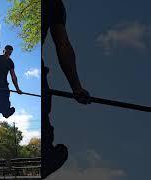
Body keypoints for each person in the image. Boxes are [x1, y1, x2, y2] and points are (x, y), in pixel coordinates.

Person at [41, 0, 91, 178]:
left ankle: (44, 153)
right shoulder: (55, 4)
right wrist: (76, 88)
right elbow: (62, 45)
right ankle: (44, 154)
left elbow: (63, 45)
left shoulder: (54, 5)